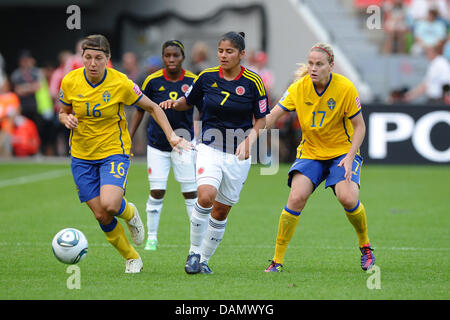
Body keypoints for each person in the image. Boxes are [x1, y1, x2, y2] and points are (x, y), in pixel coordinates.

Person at [58, 34, 192, 273]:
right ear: (82, 58)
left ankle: (130, 213)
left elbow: (151, 107)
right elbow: (63, 110)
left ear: (108, 59)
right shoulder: (70, 81)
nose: (92, 63)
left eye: (98, 58)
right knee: (101, 215)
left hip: (113, 151)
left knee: (110, 204)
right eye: (88, 57)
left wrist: (172, 135)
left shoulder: (120, 82)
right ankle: (132, 258)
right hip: (81, 155)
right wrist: (65, 118)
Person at [160, 32, 269, 274]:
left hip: (238, 153)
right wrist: (175, 103)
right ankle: (193, 253)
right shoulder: (206, 77)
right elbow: (189, 101)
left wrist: (249, 142)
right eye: (220, 51)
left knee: (221, 210)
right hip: (209, 146)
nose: (223, 55)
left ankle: (204, 259)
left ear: (241, 54)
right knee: (206, 196)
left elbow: (262, 119)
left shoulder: (253, 81)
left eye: (229, 51)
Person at [263, 43, 375, 273]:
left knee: (347, 198)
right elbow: (271, 117)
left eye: (319, 64)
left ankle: (365, 246)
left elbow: (360, 127)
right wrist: (249, 133)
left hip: (342, 153)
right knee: (296, 198)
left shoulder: (345, 88)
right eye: (311, 63)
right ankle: (277, 261)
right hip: (311, 152)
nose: (313, 68)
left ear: (331, 66)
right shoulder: (298, 88)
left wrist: (350, 157)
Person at [128, 40, 198, 251]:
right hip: (157, 144)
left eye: (175, 55)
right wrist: (129, 138)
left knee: (190, 192)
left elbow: (203, 107)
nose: (171, 59)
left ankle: (196, 238)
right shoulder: (152, 80)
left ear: (182, 57)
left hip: (184, 143)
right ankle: (152, 237)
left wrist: (204, 137)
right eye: (167, 55)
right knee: (157, 190)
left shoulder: (194, 80)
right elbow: (140, 110)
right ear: (163, 57)